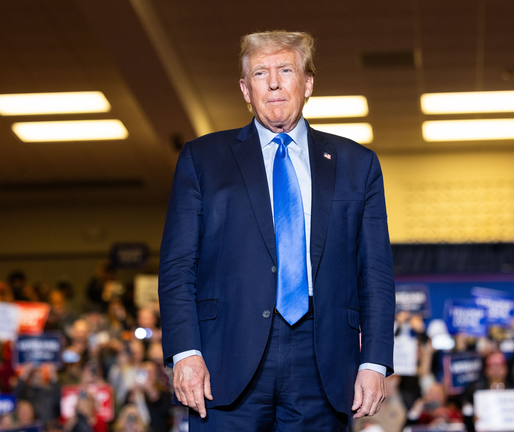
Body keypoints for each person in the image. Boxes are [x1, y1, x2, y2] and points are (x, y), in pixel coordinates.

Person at [158, 30, 396, 431]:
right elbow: (178, 266)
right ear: (245, 90)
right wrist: (185, 353)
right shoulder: (203, 159)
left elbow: (375, 272)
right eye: (259, 73)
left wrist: (373, 361)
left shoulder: (358, 165)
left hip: (324, 360)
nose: (273, 82)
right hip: (224, 361)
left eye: (286, 70)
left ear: (307, 84)